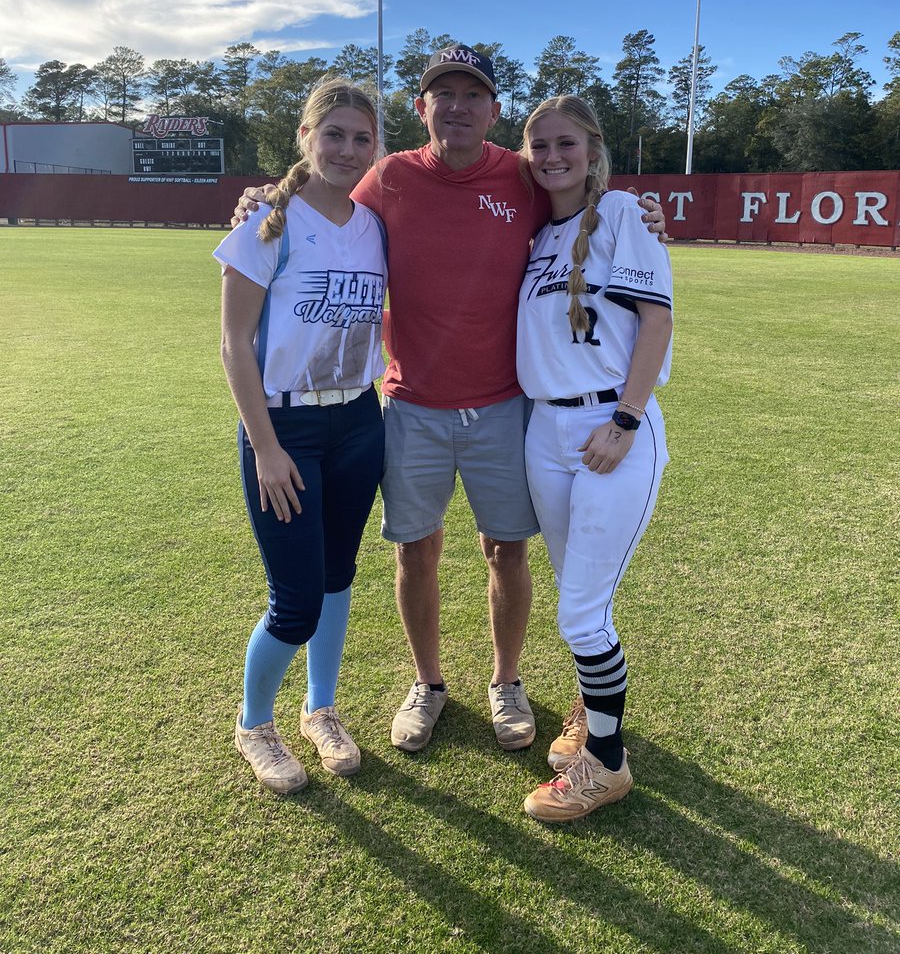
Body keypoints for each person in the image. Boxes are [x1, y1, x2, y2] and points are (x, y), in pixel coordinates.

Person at [231, 45, 667, 756]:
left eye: (473, 94)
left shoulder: (523, 175)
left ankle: (507, 681)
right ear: (420, 106)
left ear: (494, 111)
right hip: (411, 407)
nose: (457, 106)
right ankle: (428, 683)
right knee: (416, 552)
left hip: (504, 407)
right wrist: (260, 201)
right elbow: (318, 199)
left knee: (505, 550)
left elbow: (580, 195)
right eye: (443, 93)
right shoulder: (389, 176)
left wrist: (637, 210)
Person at [214, 79, 386, 794]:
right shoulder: (268, 221)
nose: (347, 149)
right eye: (334, 134)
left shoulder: (374, 223)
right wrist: (266, 446)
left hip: (358, 419)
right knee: (296, 600)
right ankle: (255, 724)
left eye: (361, 138)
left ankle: (320, 710)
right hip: (284, 426)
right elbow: (233, 343)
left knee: (338, 575)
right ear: (305, 137)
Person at [515, 95, 673, 822]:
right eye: (538, 144)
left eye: (565, 143)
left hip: (611, 428)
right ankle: (590, 705)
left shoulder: (619, 215)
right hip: (545, 431)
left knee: (581, 614)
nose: (552, 156)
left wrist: (627, 419)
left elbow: (657, 320)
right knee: (576, 594)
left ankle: (605, 765)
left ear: (592, 148)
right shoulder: (536, 232)